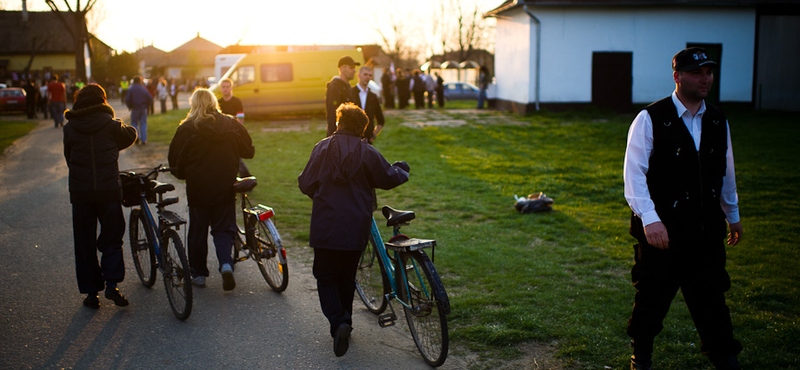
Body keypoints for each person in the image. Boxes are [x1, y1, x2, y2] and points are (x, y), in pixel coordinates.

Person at [623, 47, 743, 370]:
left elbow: (725, 172)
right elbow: (633, 176)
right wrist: (650, 219)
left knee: (713, 304)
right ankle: (641, 358)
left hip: (705, 234)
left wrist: (732, 215)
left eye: (709, 72)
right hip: (663, 235)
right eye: (696, 73)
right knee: (651, 301)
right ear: (677, 77)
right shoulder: (650, 119)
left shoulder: (718, 120)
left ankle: (726, 359)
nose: (705, 79)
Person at [298, 103, 409, 357]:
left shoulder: (321, 148)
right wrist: (403, 167)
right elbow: (389, 177)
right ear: (362, 130)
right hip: (356, 225)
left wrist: (321, 194)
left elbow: (305, 183)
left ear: (338, 124)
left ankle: (339, 323)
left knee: (325, 275)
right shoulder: (367, 152)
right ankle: (345, 321)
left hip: (325, 224)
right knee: (347, 276)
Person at [168, 88, 255, 291]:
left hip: (198, 187)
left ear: (194, 104)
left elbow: (175, 162)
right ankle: (226, 263)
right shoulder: (231, 124)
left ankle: (198, 274)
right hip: (225, 185)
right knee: (223, 228)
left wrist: (185, 174)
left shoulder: (187, 129)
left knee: (198, 231)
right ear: (214, 102)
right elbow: (248, 151)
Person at [63, 84, 138, 309]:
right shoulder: (111, 125)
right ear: (103, 100)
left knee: (84, 242)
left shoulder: (70, 128)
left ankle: (91, 293)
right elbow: (130, 135)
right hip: (109, 191)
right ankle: (112, 284)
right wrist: (119, 123)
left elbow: (69, 158)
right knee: (112, 237)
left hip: (81, 193)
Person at [217, 77, 250, 177]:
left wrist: (238, 131)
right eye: (223, 87)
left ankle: (246, 177)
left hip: (234, 132)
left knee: (236, 156)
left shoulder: (236, 102)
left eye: (227, 87)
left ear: (231, 88)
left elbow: (240, 118)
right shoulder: (218, 102)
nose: (225, 89)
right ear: (220, 89)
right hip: (221, 133)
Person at [351, 66, 385, 144]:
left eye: (370, 75)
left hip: (368, 139)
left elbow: (381, 120)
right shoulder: (350, 93)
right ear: (358, 75)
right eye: (365, 74)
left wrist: (373, 136)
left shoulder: (373, 96)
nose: (368, 77)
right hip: (352, 138)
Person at [325, 56, 358, 136]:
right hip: (340, 137)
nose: (354, 70)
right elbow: (332, 114)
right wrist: (333, 138)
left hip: (349, 135)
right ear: (343, 68)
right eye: (351, 68)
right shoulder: (334, 87)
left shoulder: (347, 87)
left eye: (354, 68)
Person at [125, 76, 153, 145]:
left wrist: (130, 106)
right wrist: (147, 106)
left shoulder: (131, 89)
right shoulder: (144, 89)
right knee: (143, 123)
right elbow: (150, 98)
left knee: (134, 123)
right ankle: (144, 140)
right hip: (143, 108)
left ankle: (137, 137)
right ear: (140, 81)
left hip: (135, 108)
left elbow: (127, 99)